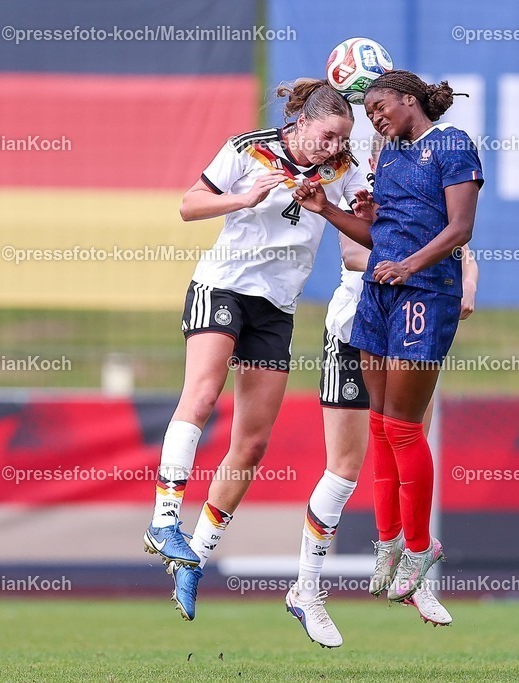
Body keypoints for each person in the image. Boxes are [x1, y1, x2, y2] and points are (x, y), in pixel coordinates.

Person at [143, 78, 368, 622]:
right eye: (328, 136)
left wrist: (353, 214)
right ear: (303, 123)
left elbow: (359, 235)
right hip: (222, 289)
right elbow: (188, 205)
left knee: (252, 441)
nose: (334, 147)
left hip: (276, 309)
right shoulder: (249, 148)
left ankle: (193, 557)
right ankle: (163, 518)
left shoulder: (342, 169)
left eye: (343, 139)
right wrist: (242, 198)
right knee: (201, 393)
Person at [293, 70, 484, 614]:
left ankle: (421, 549)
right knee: (378, 424)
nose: (374, 117)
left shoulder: (451, 144)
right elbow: (378, 236)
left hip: (425, 292)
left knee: (403, 426)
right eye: (369, 111)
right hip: (379, 295)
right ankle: (390, 543)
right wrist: (328, 211)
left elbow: (460, 228)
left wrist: (410, 265)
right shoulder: (389, 157)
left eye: (380, 106)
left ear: (409, 98)